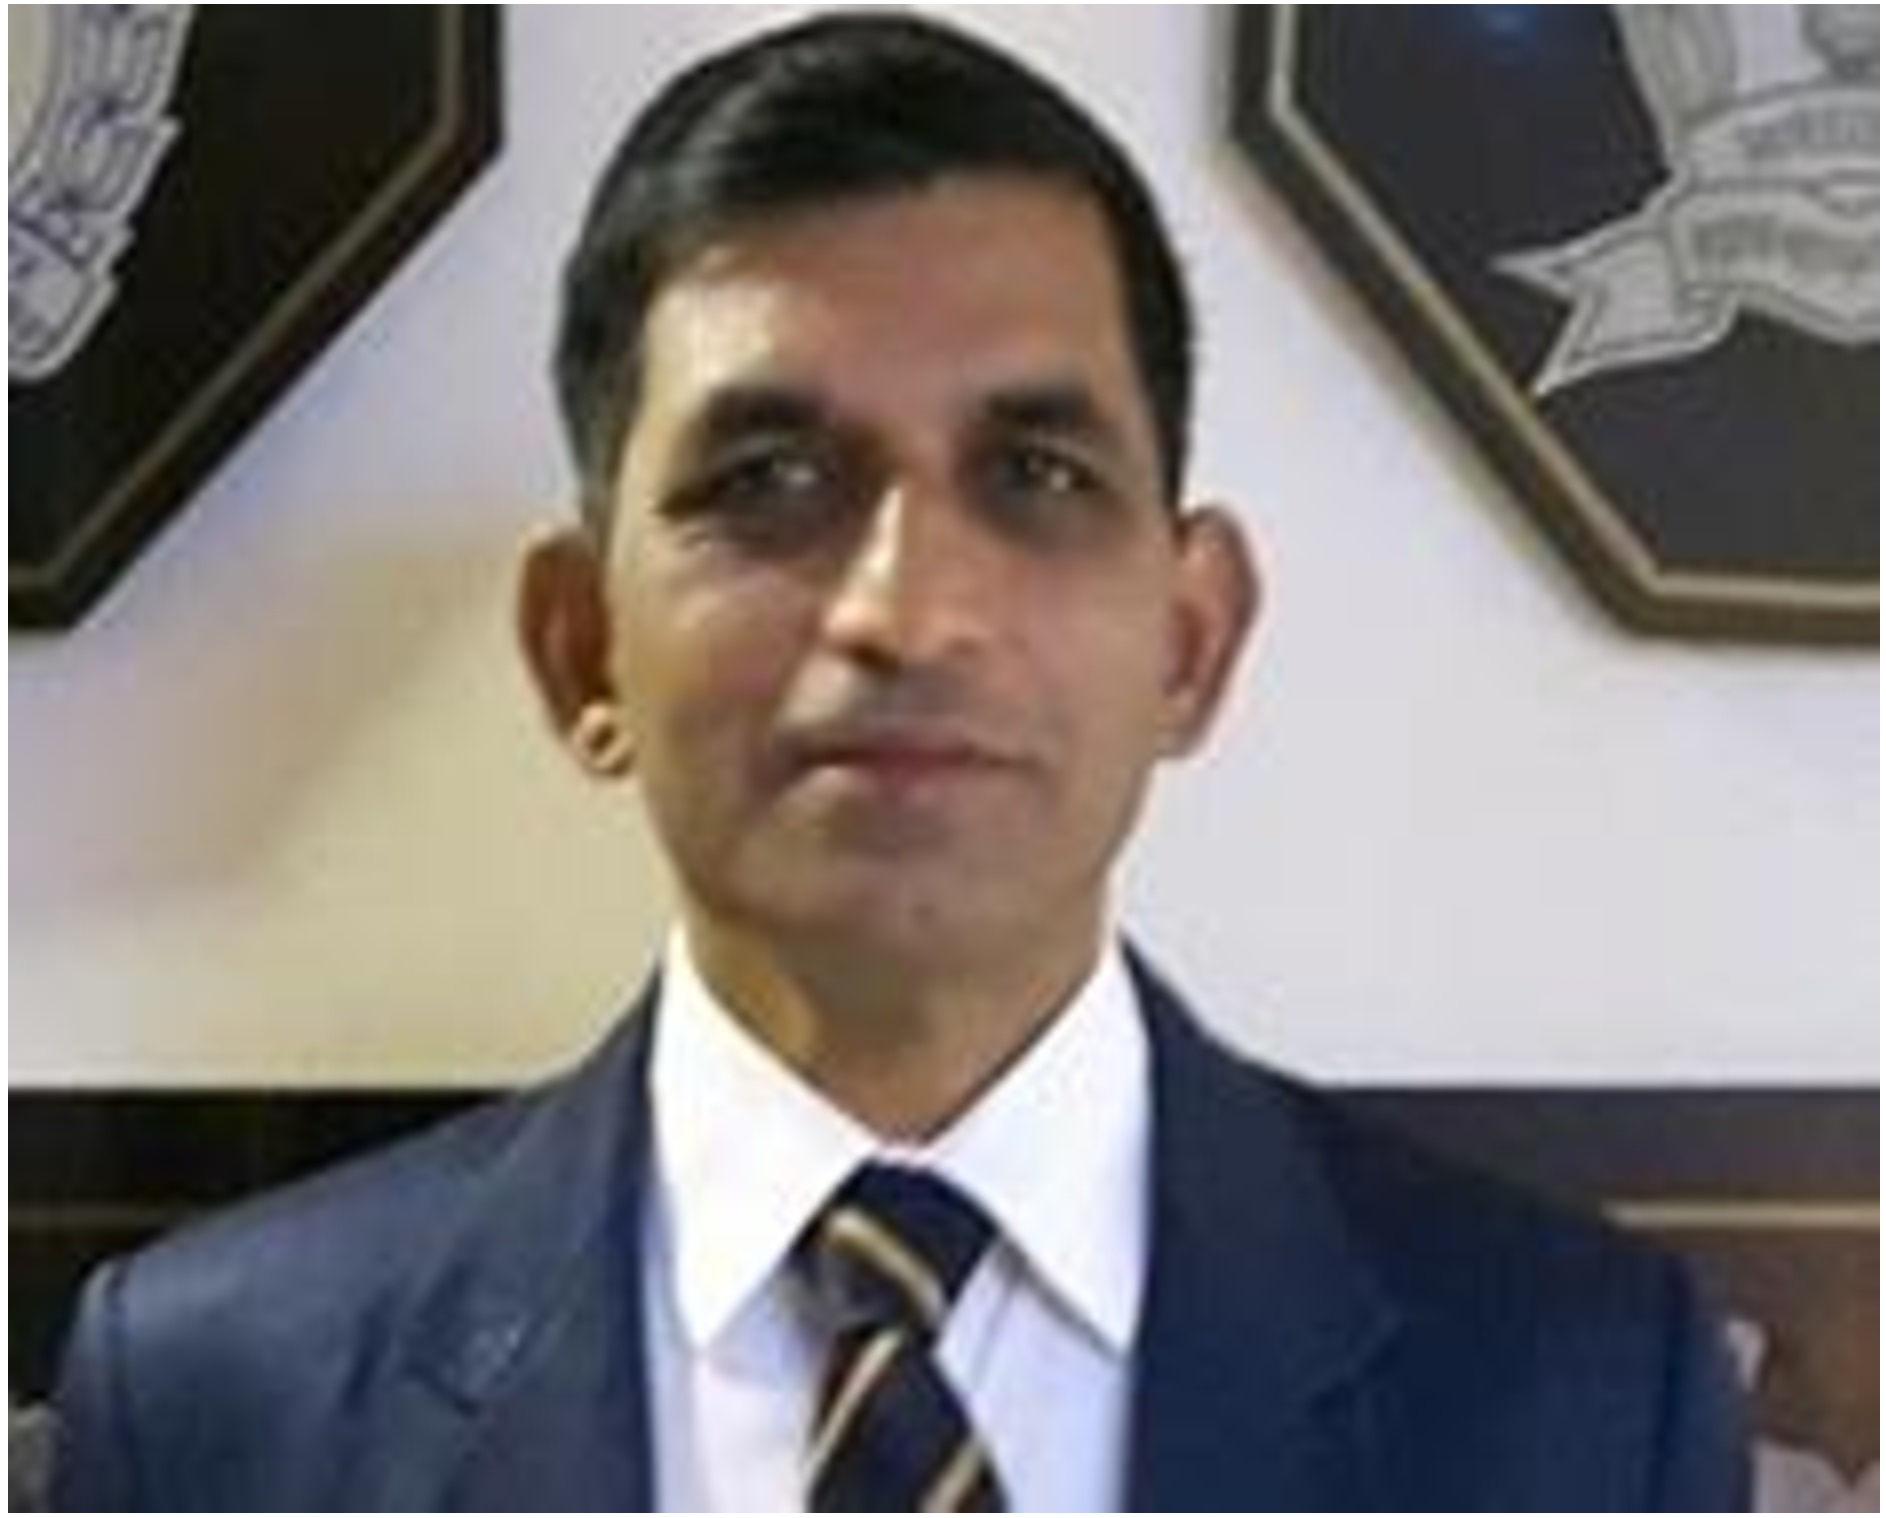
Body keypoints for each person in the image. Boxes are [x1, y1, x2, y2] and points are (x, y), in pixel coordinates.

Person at [50, 12, 1750, 1511]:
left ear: (1188, 639)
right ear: (582, 649)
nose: (908, 608)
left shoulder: (1578, 1392)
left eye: (1036, 474)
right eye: (769, 481)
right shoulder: (218, 1401)